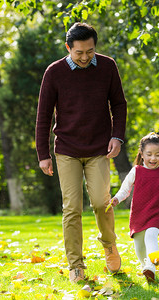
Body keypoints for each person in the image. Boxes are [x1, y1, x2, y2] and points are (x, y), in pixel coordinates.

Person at [35, 22, 127, 283]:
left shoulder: (108, 66)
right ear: (68, 48)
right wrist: (43, 153)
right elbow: (43, 115)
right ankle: (76, 264)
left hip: (99, 148)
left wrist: (117, 136)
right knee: (72, 208)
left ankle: (109, 245)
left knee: (101, 201)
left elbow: (119, 103)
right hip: (67, 150)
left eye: (90, 51)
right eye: (79, 53)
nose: (85, 57)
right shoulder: (54, 72)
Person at [105, 132, 159, 282]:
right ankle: (146, 267)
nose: (153, 158)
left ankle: (152, 263)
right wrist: (117, 199)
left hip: (156, 214)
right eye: (149, 154)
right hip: (139, 214)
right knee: (139, 246)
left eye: (158, 155)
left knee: (151, 235)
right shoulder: (136, 171)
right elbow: (125, 189)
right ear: (142, 154)